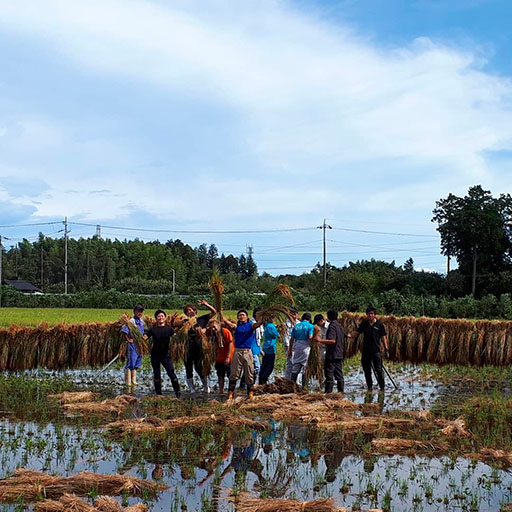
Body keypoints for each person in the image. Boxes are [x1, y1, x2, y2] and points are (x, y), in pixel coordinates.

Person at [175, 300, 216, 393]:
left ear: (195, 310)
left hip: (199, 347)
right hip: (187, 348)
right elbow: (175, 324)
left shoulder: (202, 319)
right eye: (187, 311)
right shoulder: (186, 322)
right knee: (188, 368)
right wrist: (175, 319)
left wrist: (206, 304)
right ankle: (192, 389)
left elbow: (214, 312)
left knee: (199, 367)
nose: (190, 312)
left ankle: (206, 387)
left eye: (191, 310)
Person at [223, 309, 264, 399]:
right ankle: (230, 392)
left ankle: (250, 392)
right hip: (237, 351)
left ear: (247, 317)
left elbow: (259, 323)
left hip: (247, 351)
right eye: (240, 315)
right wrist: (219, 312)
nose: (241, 316)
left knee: (249, 372)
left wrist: (265, 315)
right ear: (238, 317)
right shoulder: (236, 327)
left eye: (243, 315)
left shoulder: (251, 325)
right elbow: (226, 321)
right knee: (234, 373)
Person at [348, 306, 389, 391]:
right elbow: (357, 333)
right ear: (367, 315)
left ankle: (382, 387)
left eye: (372, 314)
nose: (370, 315)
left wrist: (386, 348)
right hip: (366, 351)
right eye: (369, 314)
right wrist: (348, 335)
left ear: (374, 315)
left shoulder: (379, 325)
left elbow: (383, 337)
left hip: (376, 351)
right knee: (367, 371)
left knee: (378, 370)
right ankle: (369, 387)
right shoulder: (364, 324)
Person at [144, 309, 181, 397]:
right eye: (158, 316)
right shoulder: (153, 330)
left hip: (165, 355)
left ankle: (177, 392)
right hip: (155, 355)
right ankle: (158, 394)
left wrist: (181, 333)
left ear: (165, 318)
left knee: (171, 373)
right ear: (156, 319)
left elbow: (176, 337)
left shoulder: (169, 329)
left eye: (162, 316)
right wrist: (137, 338)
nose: (160, 318)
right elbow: (145, 337)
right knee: (157, 374)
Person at [318, 309, 345, 393]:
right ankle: (341, 392)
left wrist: (320, 340)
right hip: (339, 353)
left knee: (329, 374)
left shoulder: (332, 326)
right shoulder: (340, 326)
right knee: (339, 374)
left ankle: (328, 393)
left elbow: (332, 341)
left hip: (332, 354)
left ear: (329, 317)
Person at [207, 318, 234, 395]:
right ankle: (221, 391)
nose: (213, 328)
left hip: (228, 357)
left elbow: (230, 344)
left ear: (219, 325)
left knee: (230, 375)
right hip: (219, 358)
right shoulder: (213, 334)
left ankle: (231, 391)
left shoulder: (225, 332)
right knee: (220, 375)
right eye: (211, 327)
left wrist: (228, 357)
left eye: (214, 327)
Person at [121, 304, 145, 387]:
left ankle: (134, 380)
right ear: (134, 312)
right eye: (138, 311)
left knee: (138, 361)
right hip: (133, 345)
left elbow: (143, 332)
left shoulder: (141, 322)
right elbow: (124, 331)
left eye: (141, 311)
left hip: (140, 344)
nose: (140, 313)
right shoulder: (131, 321)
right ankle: (128, 382)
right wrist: (129, 340)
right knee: (131, 361)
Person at [289, 312, 314, 386]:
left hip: (296, 346)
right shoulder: (310, 326)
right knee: (305, 367)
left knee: (295, 366)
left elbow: (291, 339)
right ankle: (304, 387)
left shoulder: (296, 326)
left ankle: (292, 386)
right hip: (305, 346)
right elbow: (310, 337)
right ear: (309, 319)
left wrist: (290, 350)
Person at [259, 317, 279, 385]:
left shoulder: (266, 325)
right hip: (270, 347)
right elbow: (277, 335)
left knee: (264, 365)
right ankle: (264, 380)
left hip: (265, 347)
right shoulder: (272, 326)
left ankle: (260, 380)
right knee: (270, 366)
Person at [282, 308, 299, 380]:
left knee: (297, 363)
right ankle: (288, 380)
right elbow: (285, 336)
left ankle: (296, 381)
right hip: (289, 346)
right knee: (290, 363)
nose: (293, 316)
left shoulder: (299, 324)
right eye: (292, 315)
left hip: (298, 346)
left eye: (295, 314)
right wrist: (288, 347)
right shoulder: (285, 324)